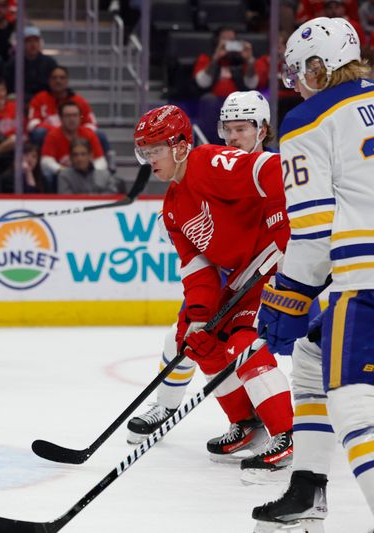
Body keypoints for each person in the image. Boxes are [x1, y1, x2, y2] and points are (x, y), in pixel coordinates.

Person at [125, 91, 313, 456]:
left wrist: (281, 226)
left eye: (155, 151)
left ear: (179, 146)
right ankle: (246, 423)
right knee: (201, 342)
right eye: (145, 153)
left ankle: (288, 433)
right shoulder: (172, 206)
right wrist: (198, 317)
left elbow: (274, 169)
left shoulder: (208, 163)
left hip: (273, 267)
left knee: (243, 344)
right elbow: (197, 269)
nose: (150, 161)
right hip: (239, 276)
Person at [252, 17, 374, 529]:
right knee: (310, 358)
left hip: (364, 280)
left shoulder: (307, 121)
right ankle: (307, 488)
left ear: (318, 68)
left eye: (298, 71)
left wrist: (288, 293)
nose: (295, 81)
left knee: (350, 400)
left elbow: (315, 229)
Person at [193, 27, 262, 144]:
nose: (229, 43)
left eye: (232, 40)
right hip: (214, 102)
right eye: (225, 39)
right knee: (208, 101)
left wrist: (249, 60)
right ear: (217, 41)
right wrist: (215, 59)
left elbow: (252, 84)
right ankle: (209, 144)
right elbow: (202, 82)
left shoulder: (242, 61)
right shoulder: (207, 58)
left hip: (238, 102)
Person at [40, 101, 107, 187]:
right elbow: (46, 161)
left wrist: (90, 173)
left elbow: (100, 160)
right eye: (68, 116)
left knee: (103, 174)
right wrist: (66, 172)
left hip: (87, 176)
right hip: (62, 175)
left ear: (80, 117)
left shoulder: (89, 134)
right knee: (48, 175)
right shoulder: (53, 135)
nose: (72, 119)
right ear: (61, 118)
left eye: (75, 115)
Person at [5, 25, 58, 102]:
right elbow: (9, 89)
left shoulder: (50, 63)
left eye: (36, 41)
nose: (33, 44)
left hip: (45, 100)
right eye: (29, 41)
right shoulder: (12, 64)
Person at [57, 139, 125, 195]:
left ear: (90, 155)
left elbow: (112, 196)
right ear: (71, 157)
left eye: (83, 154)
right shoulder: (64, 176)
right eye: (75, 155)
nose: (79, 158)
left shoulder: (105, 175)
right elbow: (66, 201)